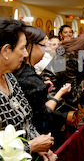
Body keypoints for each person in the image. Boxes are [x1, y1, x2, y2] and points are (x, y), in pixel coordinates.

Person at [0, 18, 56, 160]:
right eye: (22, 48)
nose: (26, 54)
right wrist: (30, 146)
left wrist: (40, 147)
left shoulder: (10, 78)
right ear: (5, 51)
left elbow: (27, 122)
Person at [13, 26, 71, 134]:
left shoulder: (23, 71)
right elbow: (45, 113)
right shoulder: (28, 77)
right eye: (44, 45)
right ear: (30, 46)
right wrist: (60, 93)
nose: (45, 50)